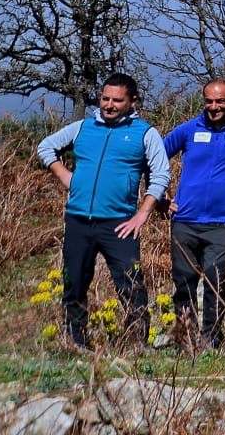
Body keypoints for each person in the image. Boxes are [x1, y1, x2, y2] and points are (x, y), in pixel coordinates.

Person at [37, 73, 170, 351]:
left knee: (130, 284)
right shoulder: (83, 127)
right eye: (105, 98)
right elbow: (46, 146)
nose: (109, 105)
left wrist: (142, 214)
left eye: (117, 100)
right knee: (74, 283)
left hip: (120, 223)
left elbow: (160, 176)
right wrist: (65, 176)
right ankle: (75, 342)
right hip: (78, 220)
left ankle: (137, 345)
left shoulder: (145, 133)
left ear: (132, 102)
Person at [163, 79, 225, 348]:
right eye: (209, 101)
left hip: (221, 223)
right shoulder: (188, 129)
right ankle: (186, 339)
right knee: (184, 283)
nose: (214, 106)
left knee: (215, 282)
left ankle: (211, 340)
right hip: (185, 220)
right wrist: (160, 198)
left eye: (220, 101)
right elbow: (155, 156)